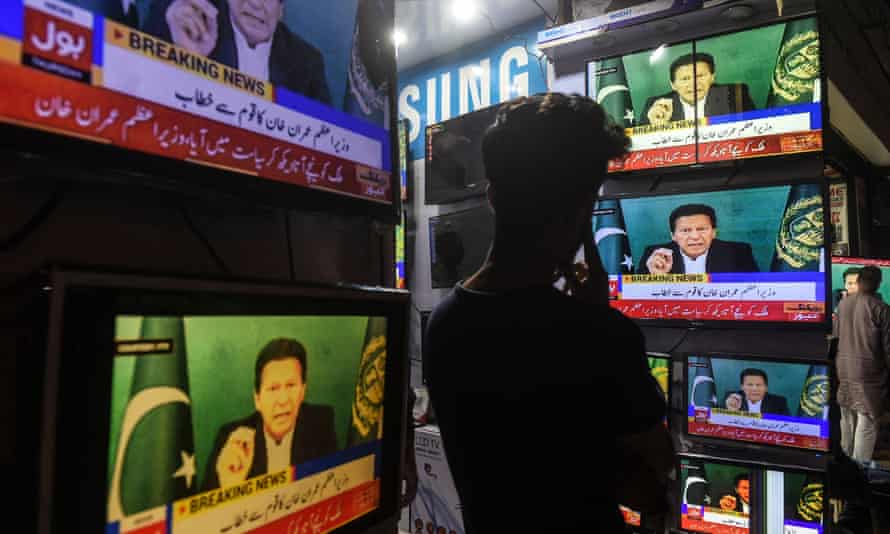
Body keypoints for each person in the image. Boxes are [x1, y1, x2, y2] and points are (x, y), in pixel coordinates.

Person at [425, 93, 674, 533]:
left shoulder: (444, 325)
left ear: (493, 194)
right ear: (583, 207)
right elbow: (649, 489)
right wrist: (601, 324)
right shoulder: (601, 337)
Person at [202, 338, 337, 490]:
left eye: (291, 385)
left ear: (303, 391)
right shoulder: (231, 439)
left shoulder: (321, 423)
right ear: (257, 399)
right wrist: (231, 486)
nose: (283, 400)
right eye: (273, 388)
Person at [144, 0, 331, 104]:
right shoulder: (187, 21)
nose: (256, 4)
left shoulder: (308, 62)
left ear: (281, 9)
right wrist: (189, 60)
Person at [834, 265, 890, 462]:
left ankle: (844, 464)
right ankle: (859, 470)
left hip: (844, 370)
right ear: (878, 283)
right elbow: (888, 348)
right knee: (866, 423)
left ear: (857, 282)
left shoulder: (843, 305)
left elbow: (836, 338)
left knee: (847, 420)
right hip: (869, 375)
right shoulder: (881, 308)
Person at [639, 52, 755, 127]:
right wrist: (659, 127)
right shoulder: (656, 106)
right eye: (685, 79)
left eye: (700, 76)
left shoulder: (734, 95)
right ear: (673, 85)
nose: (693, 84)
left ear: (712, 77)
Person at [638, 204, 759, 274]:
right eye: (686, 230)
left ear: (714, 232)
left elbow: (755, 290)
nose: (695, 237)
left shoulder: (738, 252)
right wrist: (657, 278)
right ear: (673, 236)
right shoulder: (655, 255)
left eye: (702, 229)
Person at [723, 368, 790, 416]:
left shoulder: (779, 403)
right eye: (750, 385)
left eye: (759, 385)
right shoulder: (732, 399)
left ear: (766, 388)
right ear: (742, 387)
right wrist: (732, 412)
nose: (754, 389)